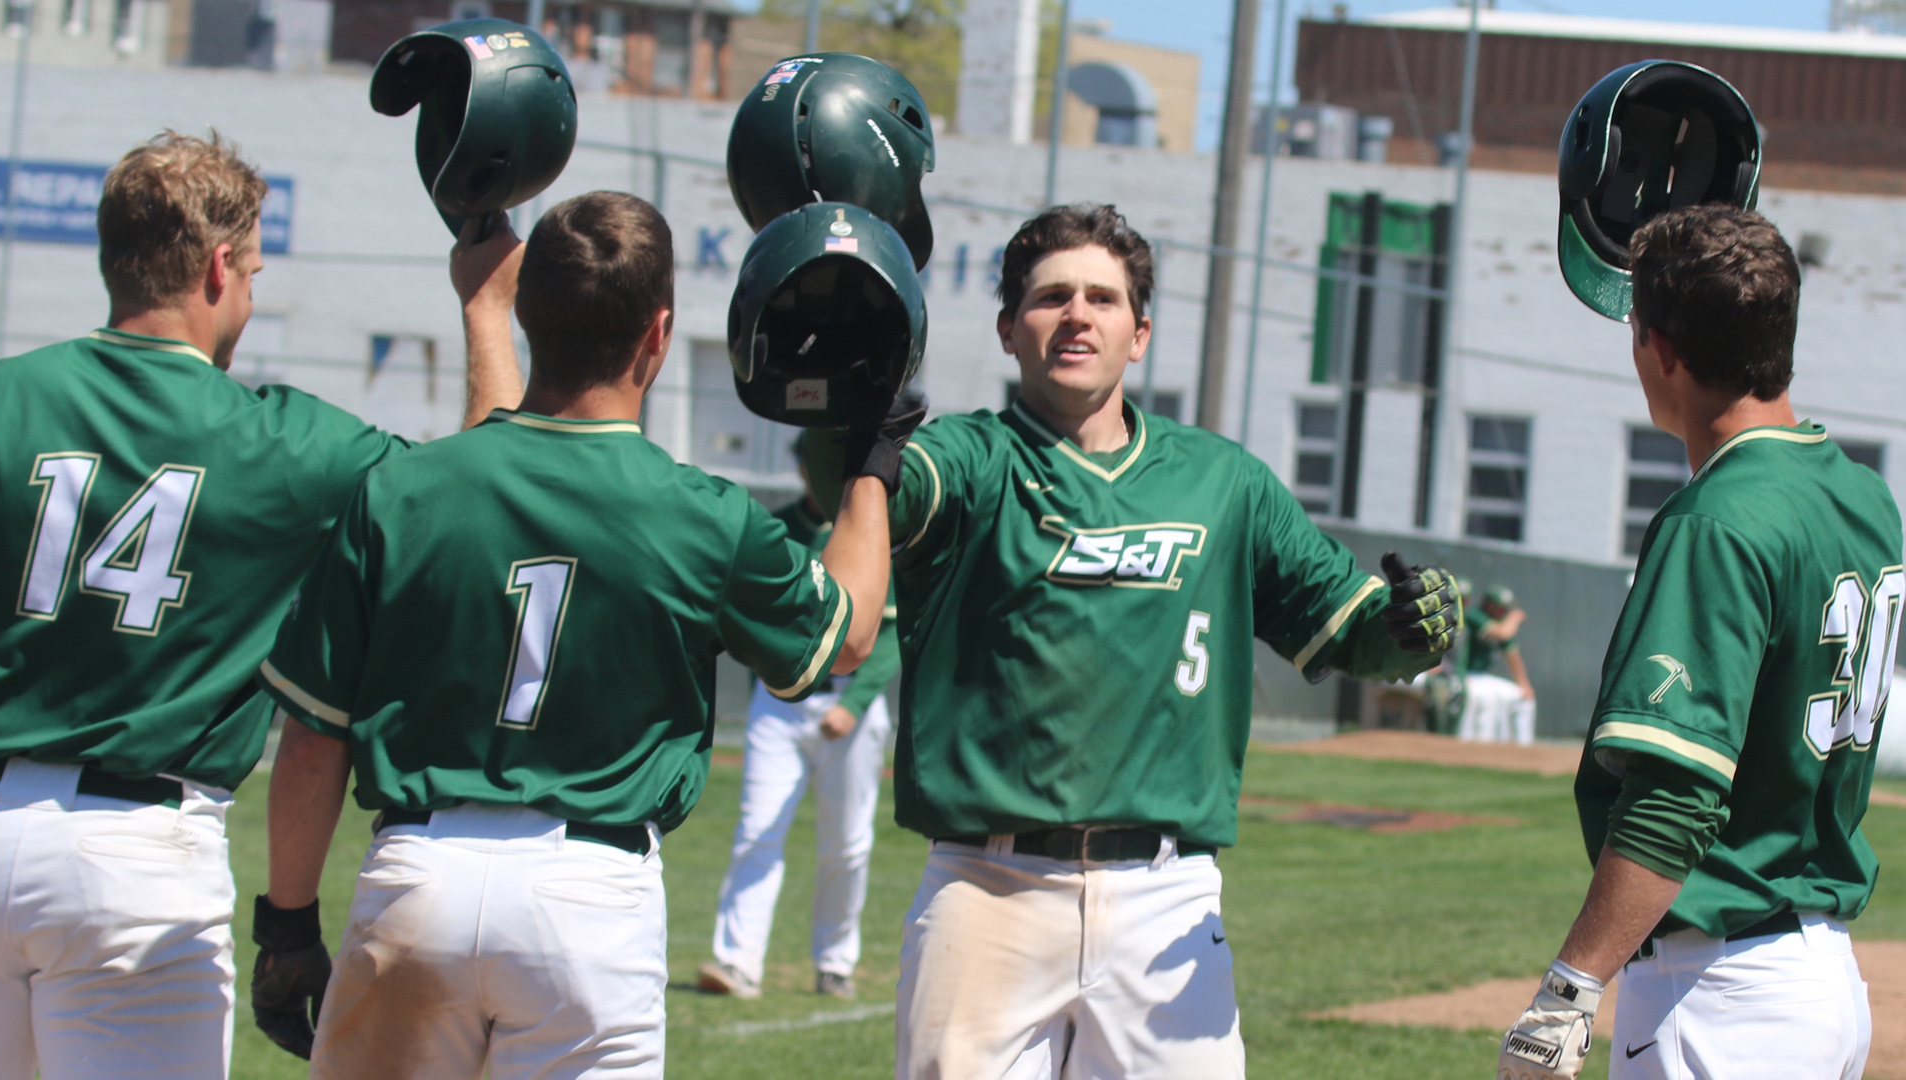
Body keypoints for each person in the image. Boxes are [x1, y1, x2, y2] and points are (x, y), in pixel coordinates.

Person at [251, 191, 906, 1078]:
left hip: (419, 872)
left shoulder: (404, 491)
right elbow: (846, 636)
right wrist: (871, 454)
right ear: (660, 332)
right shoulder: (706, 517)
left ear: (529, 316)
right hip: (589, 898)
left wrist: (287, 924)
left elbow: (312, 739)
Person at [809, 203, 1460, 1079]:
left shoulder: (1222, 482)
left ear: (1140, 332)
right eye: (1050, 299)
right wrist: (848, 418)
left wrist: (1410, 628)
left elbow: (1345, 626)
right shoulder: (970, 460)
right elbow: (876, 484)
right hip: (987, 889)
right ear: (1008, 330)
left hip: (1167, 895)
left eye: (1103, 299)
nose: (1078, 315)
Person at [0, 130, 515, 1080]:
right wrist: (486, 307)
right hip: (132, 858)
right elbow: (484, 497)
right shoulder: (285, 444)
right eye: (255, 270)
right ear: (221, 265)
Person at [1499, 205, 1896, 1080]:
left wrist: (1570, 989)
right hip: (1822, 977)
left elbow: (1677, 794)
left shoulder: (1716, 521)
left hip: (1717, 989)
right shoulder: (1866, 497)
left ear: (1660, 350)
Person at [699, 441, 901, 1002]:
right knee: (757, 830)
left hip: (850, 710)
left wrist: (853, 704)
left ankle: (835, 963)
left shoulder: (874, 530)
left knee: (848, 844)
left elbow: (888, 635)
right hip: (781, 701)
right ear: (802, 468)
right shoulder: (777, 529)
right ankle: (735, 961)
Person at [1459, 584, 1537, 744]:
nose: (1504, 611)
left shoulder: (1501, 622)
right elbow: (1502, 633)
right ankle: (1475, 745)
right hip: (1466, 674)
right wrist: (1514, 619)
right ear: (1489, 605)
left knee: (1524, 699)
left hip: (1484, 678)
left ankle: (1524, 748)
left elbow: (1512, 655)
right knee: (1487, 698)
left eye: (1506, 608)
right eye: (1501, 607)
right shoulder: (1475, 615)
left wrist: (1524, 684)